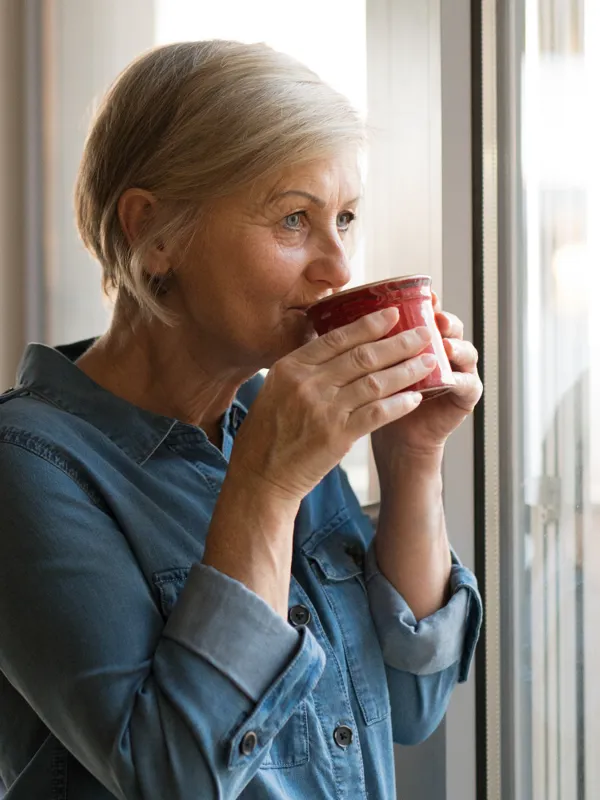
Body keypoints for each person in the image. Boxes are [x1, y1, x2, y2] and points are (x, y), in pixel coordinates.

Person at [0, 40, 482, 800]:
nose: (338, 266)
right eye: (294, 219)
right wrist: (264, 484)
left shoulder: (272, 416)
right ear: (153, 235)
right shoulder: (28, 464)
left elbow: (410, 700)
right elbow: (175, 778)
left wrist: (412, 456)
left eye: (345, 218)